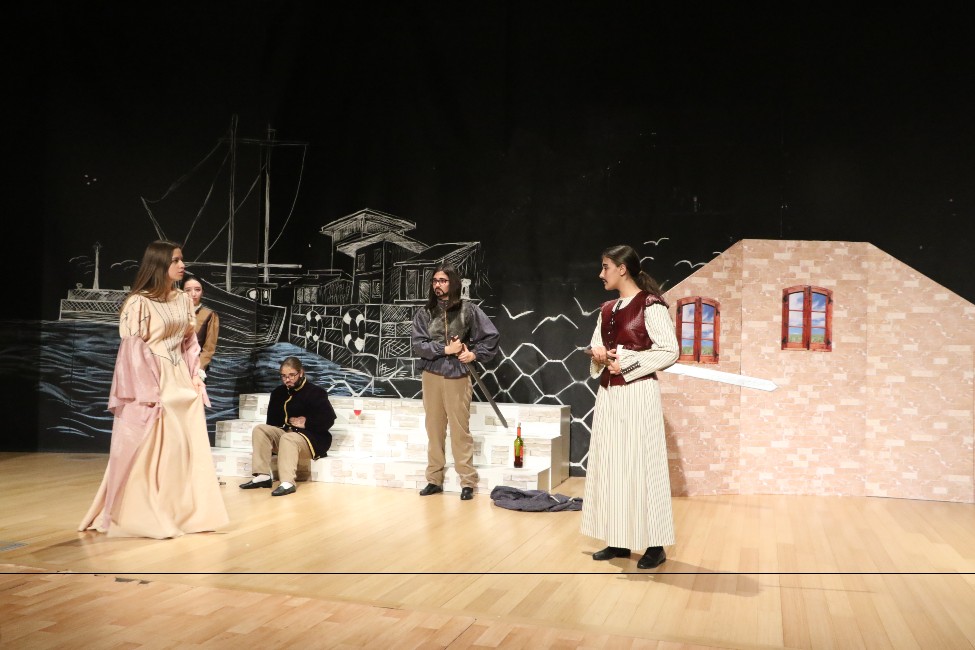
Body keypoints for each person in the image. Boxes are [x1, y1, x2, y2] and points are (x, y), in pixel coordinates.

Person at [78, 240, 228, 539]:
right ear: (159, 264)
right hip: (151, 379)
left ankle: (181, 512)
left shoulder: (182, 299)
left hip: (180, 378)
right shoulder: (138, 302)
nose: (182, 265)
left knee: (182, 448)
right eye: (176, 260)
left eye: (182, 259)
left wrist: (194, 376)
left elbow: (189, 343)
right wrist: (148, 388)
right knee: (153, 442)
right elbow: (132, 351)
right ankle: (144, 511)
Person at [581, 244, 680, 569]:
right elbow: (598, 346)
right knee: (612, 464)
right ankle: (619, 539)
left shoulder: (650, 304)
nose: (601, 274)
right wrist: (598, 355)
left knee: (644, 466)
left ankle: (655, 545)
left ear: (622, 268)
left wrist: (626, 361)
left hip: (638, 393)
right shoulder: (607, 308)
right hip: (610, 395)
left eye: (605, 267)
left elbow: (670, 350)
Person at [411, 264, 500, 500]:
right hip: (431, 375)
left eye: (442, 280)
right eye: (435, 281)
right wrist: (444, 349)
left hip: (457, 375)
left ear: (453, 283)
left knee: (460, 429)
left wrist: (474, 354)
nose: (437, 285)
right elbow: (418, 344)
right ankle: (434, 479)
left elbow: (491, 336)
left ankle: (467, 481)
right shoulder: (425, 313)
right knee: (434, 428)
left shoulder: (468, 310)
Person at [239, 357, 336, 496]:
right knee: (260, 429)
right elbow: (272, 423)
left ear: (301, 373)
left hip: (312, 439)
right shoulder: (278, 393)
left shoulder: (316, 392)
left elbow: (328, 420)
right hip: (286, 437)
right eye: (284, 376)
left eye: (291, 375)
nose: (287, 379)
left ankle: (287, 482)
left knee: (288, 438)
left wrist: (307, 422)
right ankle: (262, 476)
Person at [182, 274, 219, 376]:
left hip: (195, 368)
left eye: (197, 290)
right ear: (181, 292)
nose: (193, 294)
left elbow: (209, 348)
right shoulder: (174, 313)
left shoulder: (209, 315)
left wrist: (199, 369)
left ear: (202, 292)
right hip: (173, 367)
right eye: (188, 290)